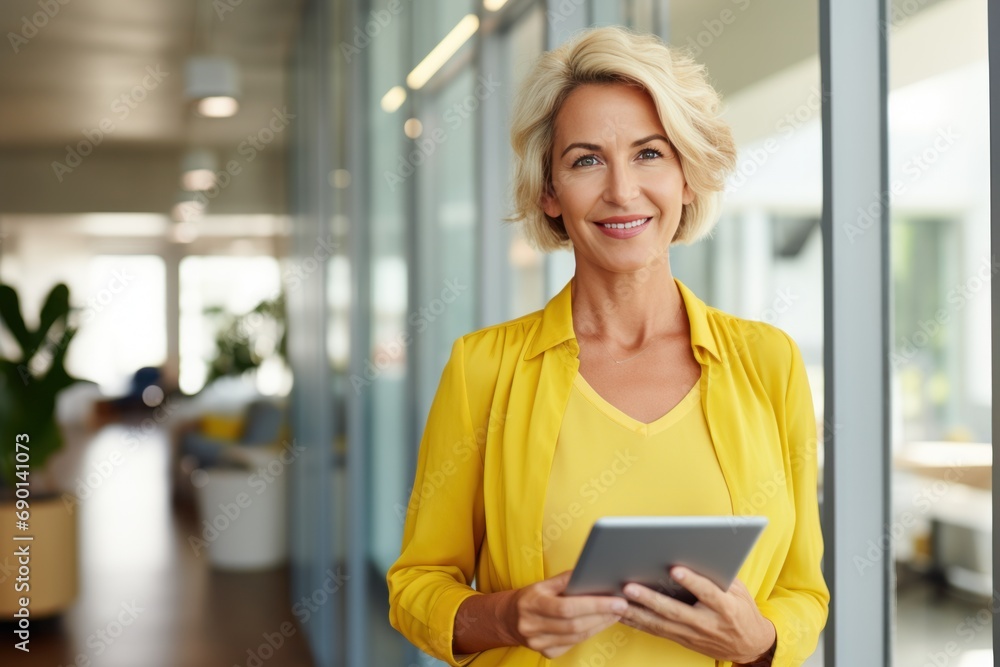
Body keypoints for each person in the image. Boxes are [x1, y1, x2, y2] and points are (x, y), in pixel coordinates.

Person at [387, 26, 829, 667]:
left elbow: (803, 591)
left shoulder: (768, 363)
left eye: (649, 153)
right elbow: (416, 587)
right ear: (549, 192)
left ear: (687, 177)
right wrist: (506, 617)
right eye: (586, 160)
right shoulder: (483, 369)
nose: (622, 190)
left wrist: (760, 643)